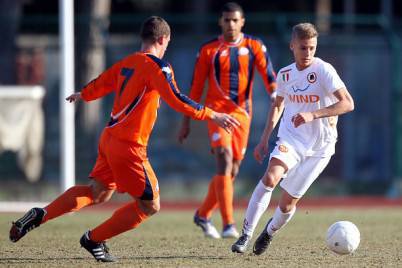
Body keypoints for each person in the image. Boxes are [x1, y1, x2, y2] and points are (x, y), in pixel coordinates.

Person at [9, 16, 239, 262]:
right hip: (129, 147)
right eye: (168, 41)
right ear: (163, 39)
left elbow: (104, 81)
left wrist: (83, 94)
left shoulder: (128, 62)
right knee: (150, 205)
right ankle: (94, 239)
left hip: (109, 139)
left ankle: (40, 214)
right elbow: (178, 99)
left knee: (98, 193)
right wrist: (213, 114)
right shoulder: (158, 67)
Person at [231, 22, 354, 255]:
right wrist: (264, 138)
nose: (308, 53)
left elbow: (348, 103)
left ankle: (269, 232)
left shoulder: (323, 70)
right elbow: (277, 105)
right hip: (291, 139)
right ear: (292, 46)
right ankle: (245, 235)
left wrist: (313, 114)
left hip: (320, 148)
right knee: (270, 178)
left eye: (312, 48)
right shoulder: (285, 74)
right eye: (303, 48)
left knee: (287, 204)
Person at [178, 2, 277, 239]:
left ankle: (202, 214)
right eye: (227, 20)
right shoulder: (208, 50)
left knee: (231, 171)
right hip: (217, 113)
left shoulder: (254, 46)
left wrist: (276, 96)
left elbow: (270, 77)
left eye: (235, 20)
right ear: (220, 22)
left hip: (242, 114)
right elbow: (195, 87)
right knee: (224, 157)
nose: (231, 24)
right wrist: (186, 121)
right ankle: (228, 224)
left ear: (242, 22)